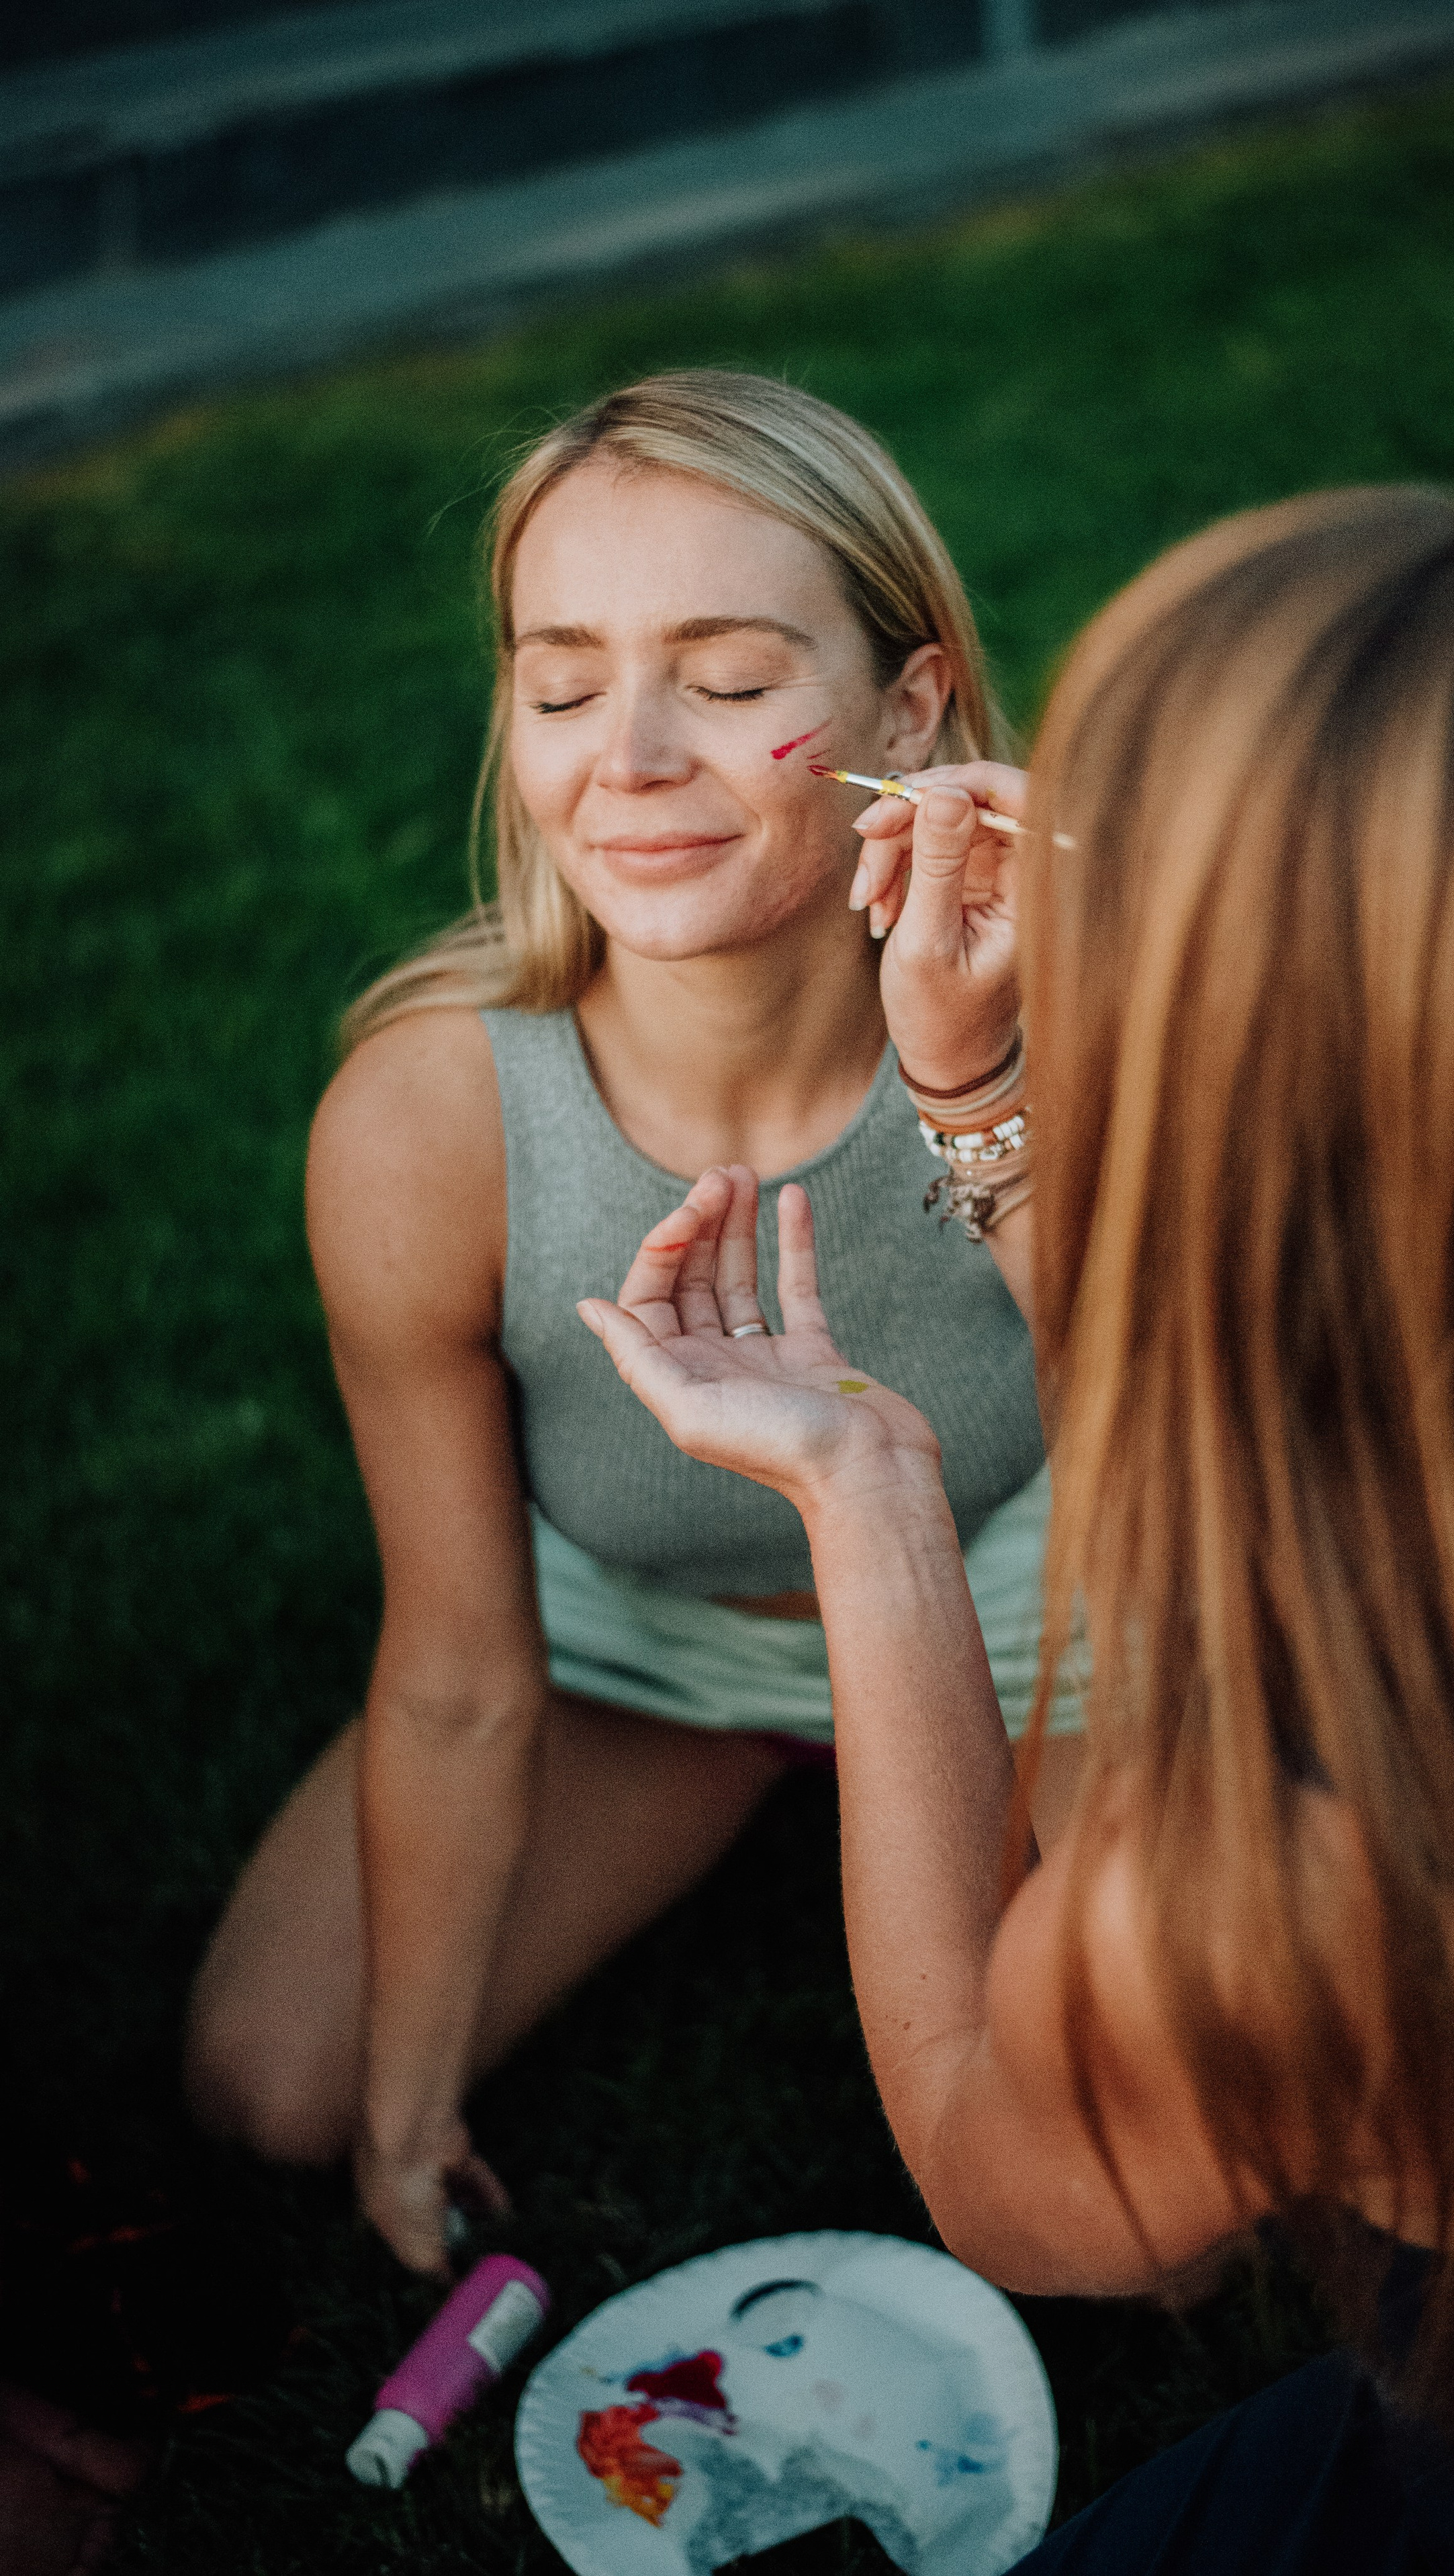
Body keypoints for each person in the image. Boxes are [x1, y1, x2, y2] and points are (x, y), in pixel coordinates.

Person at [580, 487, 1454, 2568]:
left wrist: (867, 1491)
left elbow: (998, 2167)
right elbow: (1301, 1351)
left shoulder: (1305, 1864)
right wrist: (981, 1094)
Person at [183, 371, 1081, 2276]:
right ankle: (753, 1773)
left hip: (1030, 1597)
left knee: (1127, 2184)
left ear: (910, 710)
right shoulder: (429, 1120)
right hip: (644, 1640)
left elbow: (1192, 1436)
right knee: (276, 2084)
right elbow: (456, 1667)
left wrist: (1002, 1074)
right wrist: (409, 2102)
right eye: (564, 684)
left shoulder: (1071, 1007)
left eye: (732, 679)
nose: (633, 758)